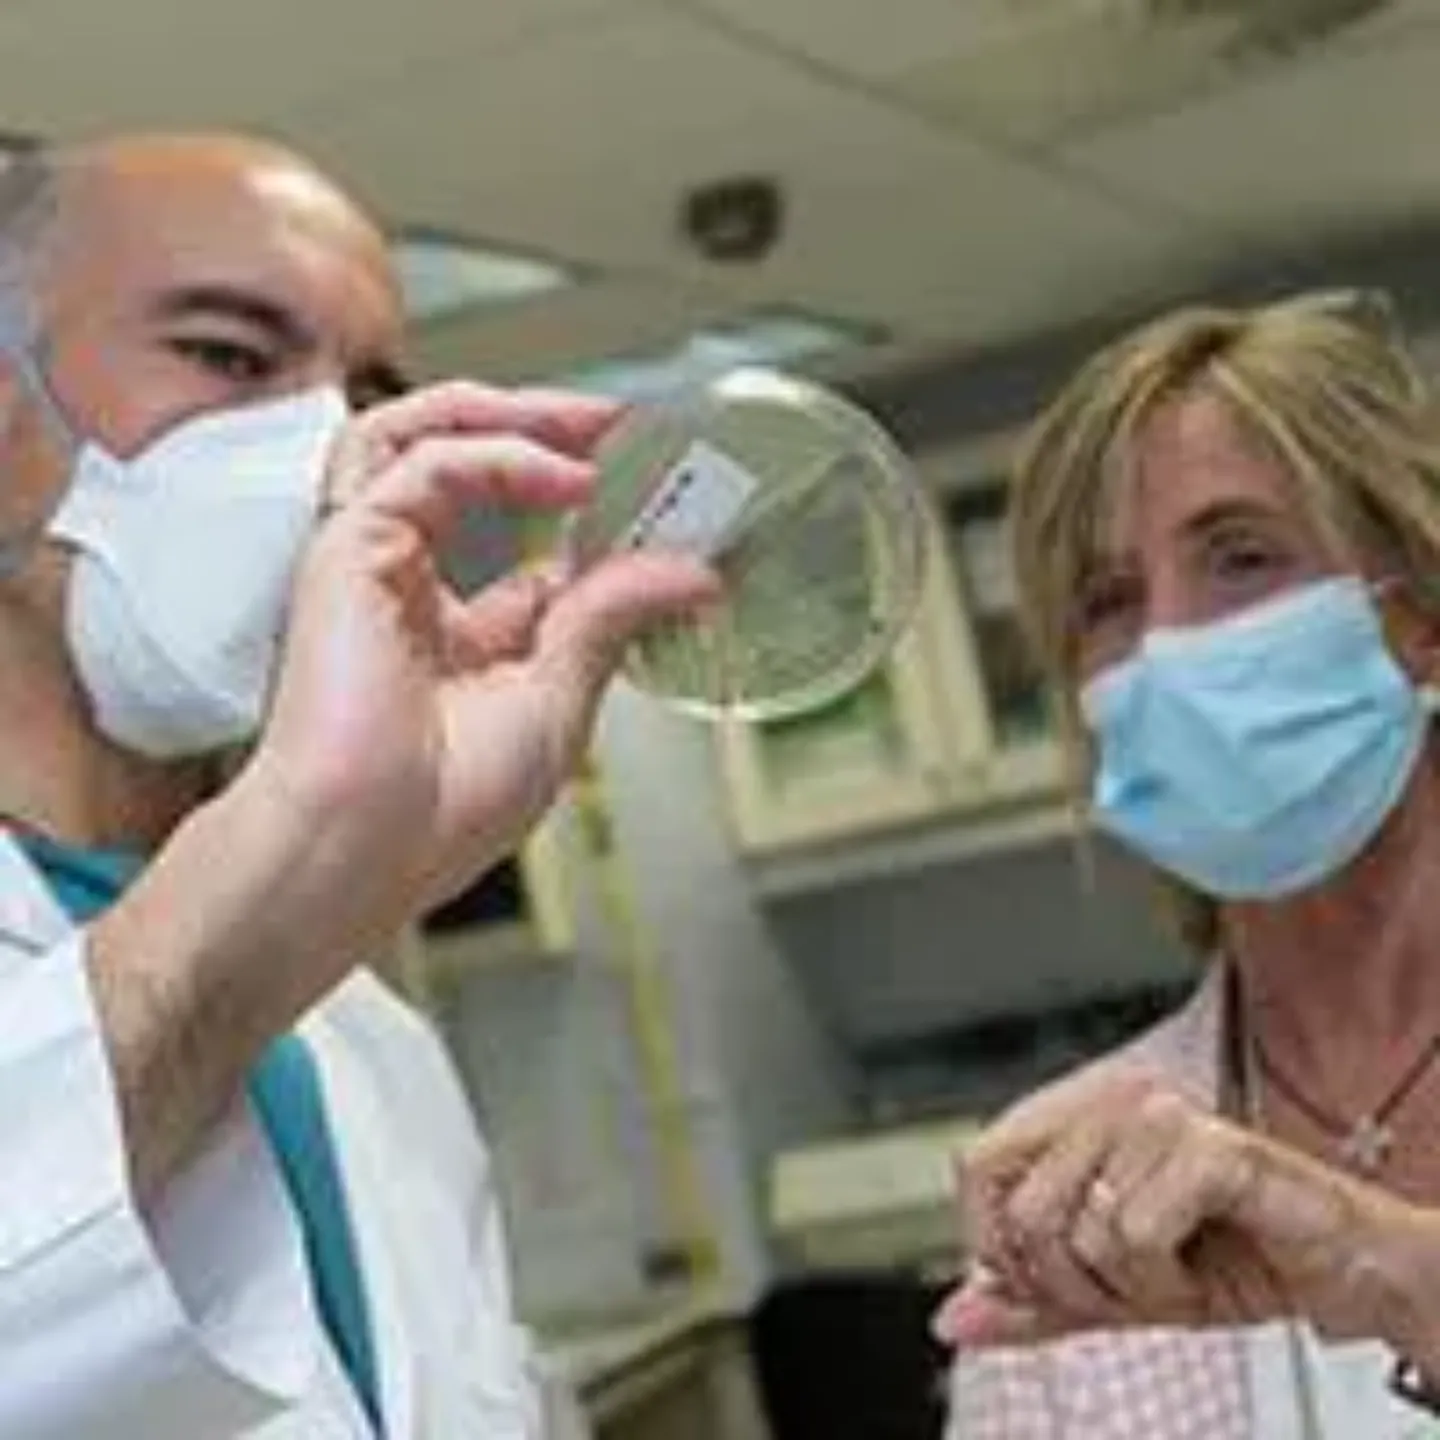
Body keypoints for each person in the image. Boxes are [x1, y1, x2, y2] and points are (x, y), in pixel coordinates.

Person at [0, 132, 717, 1440]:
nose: (329, 448)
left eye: (370, 391)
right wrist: (304, 842)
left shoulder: (370, 1049)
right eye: (226, 356)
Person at [932, 290, 1440, 1436]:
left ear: (1416, 614)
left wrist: (1386, 1264)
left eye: (1242, 557)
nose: (1168, 647)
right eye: (1110, 601)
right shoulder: (1075, 1205)